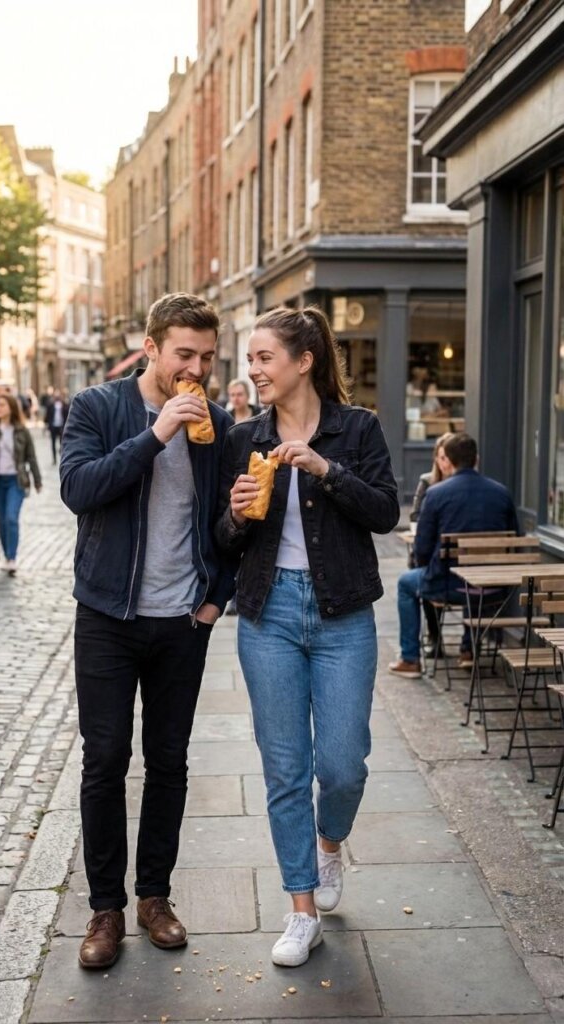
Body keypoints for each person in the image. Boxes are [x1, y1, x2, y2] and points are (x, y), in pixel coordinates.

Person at [216, 306, 399, 967]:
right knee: (285, 770)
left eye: (264, 358)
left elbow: (386, 512)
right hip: (268, 614)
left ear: (303, 361)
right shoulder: (243, 437)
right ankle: (301, 911)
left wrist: (327, 470)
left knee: (342, 766)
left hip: (342, 613)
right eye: (251, 359)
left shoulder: (358, 429)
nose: (254, 370)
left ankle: (329, 845)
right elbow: (222, 539)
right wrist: (236, 516)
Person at [59, 292, 235, 971]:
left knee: (168, 761)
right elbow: (80, 490)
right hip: (107, 616)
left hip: (182, 621)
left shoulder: (219, 425)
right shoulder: (97, 407)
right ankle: (105, 908)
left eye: (207, 358)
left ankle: (154, 897)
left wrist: (215, 598)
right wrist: (156, 433)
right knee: (104, 759)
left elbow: (227, 524)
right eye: (184, 355)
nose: (196, 369)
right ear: (152, 347)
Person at [388, 432, 520, 678]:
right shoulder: (502, 492)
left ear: (447, 460)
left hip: (448, 585)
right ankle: (468, 650)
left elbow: (422, 549)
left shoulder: (437, 493)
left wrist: (427, 568)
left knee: (406, 583)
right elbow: (515, 541)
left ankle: (410, 658)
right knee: (473, 579)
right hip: (494, 587)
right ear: (476, 459)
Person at [0, 394, 42, 575]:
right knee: (3, 521)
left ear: (11, 408)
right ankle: (6, 555)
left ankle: (12, 558)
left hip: (16, 480)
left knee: (11, 518)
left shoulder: (22, 430)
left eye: (2, 405)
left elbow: (31, 457)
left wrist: (37, 480)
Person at [409, 432, 454, 657]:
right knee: (423, 566)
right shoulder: (427, 481)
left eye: (448, 457)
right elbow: (415, 515)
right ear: (436, 458)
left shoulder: (461, 485)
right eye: (441, 457)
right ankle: (434, 636)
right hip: (433, 553)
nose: (445, 462)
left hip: (456, 556)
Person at [45, 388, 70, 464]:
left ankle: (62, 458)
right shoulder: (51, 404)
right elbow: (48, 415)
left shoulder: (64, 404)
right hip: (53, 426)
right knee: (53, 443)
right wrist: (48, 425)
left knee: (62, 444)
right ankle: (54, 459)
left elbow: (67, 414)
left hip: (61, 426)